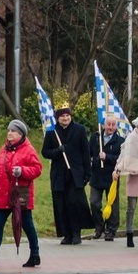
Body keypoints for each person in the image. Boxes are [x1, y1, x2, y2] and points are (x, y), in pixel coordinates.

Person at [0, 120, 43, 268]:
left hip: (19, 195)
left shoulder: (29, 150)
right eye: (9, 131)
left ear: (20, 134)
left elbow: (38, 168)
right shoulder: (4, 149)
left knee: (27, 225)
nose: (9, 133)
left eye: (13, 131)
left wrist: (22, 171)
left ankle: (35, 254)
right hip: (2, 195)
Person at [41, 102, 93, 245]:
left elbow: (86, 152)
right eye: (62, 116)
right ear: (57, 118)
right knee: (61, 205)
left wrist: (88, 172)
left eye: (67, 115)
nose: (65, 118)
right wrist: (58, 151)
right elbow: (45, 152)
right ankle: (66, 234)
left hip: (75, 174)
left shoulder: (79, 130)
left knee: (75, 203)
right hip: (59, 175)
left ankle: (76, 233)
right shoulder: (52, 132)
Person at [114, 116, 138, 248]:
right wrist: (118, 169)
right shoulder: (132, 137)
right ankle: (129, 235)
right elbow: (125, 154)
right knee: (131, 208)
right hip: (135, 174)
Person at [88, 115, 125, 241]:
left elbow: (121, 159)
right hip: (96, 176)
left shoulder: (120, 141)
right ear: (104, 125)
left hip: (112, 177)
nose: (110, 127)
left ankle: (111, 230)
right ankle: (99, 227)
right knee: (94, 202)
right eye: (108, 124)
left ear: (116, 126)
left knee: (112, 204)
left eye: (113, 125)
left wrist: (107, 157)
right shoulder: (95, 138)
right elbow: (88, 153)